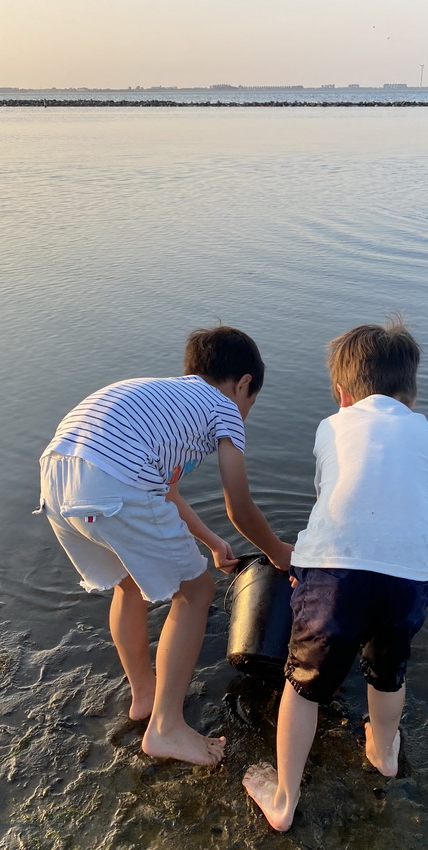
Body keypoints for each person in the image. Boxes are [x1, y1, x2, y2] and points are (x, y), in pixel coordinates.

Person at [38, 325, 293, 766]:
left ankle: (144, 695)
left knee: (128, 583)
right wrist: (277, 552)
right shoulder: (224, 408)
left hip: (58, 479)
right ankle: (166, 728)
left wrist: (213, 544)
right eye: (251, 401)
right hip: (114, 483)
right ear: (244, 384)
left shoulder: (160, 397)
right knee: (196, 592)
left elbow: (164, 494)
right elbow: (241, 507)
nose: (246, 410)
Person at [243, 318, 428, 830]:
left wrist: (303, 572)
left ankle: (284, 801)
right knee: (387, 664)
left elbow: (331, 500)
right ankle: (384, 753)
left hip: (336, 569)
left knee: (305, 683)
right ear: (412, 396)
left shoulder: (331, 426)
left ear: (341, 394)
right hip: (415, 570)